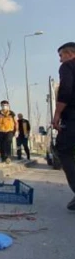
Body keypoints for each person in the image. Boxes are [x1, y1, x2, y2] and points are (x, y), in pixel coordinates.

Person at [53, 42, 75, 211]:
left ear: (70, 54)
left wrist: (57, 114)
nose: (61, 60)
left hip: (73, 118)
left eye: (61, 56)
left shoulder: (68, 66)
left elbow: (66, 90)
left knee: (64, 150)